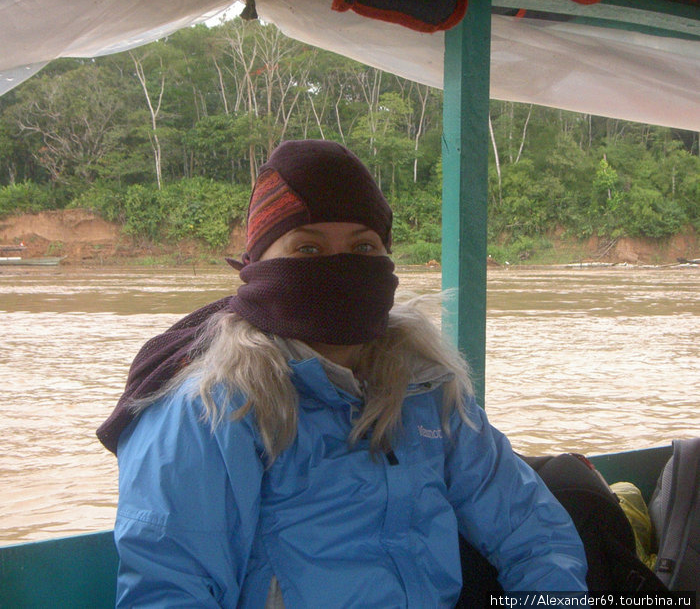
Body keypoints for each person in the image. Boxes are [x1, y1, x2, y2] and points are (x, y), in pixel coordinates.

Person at [98, 139, 587, 607]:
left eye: (364, 249)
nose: (342, 269)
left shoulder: (425, 386)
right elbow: (170, 590)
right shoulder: (212, 405)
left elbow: (532, 532)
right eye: (307, 250)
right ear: (255, 265)